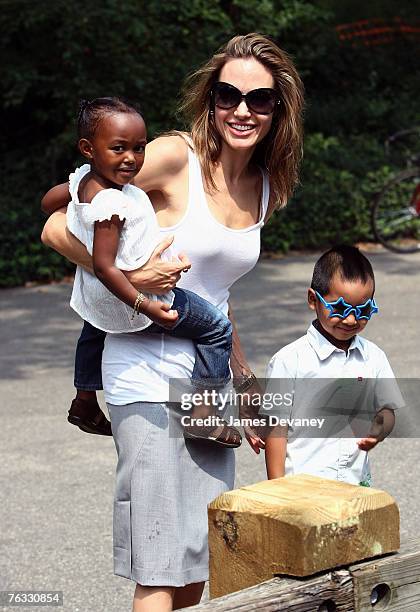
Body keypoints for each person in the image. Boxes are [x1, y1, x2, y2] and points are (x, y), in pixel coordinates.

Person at [41, 33, 304, 611]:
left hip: (206, 396)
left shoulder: (261, 188)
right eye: (228, 94)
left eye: (258, 100)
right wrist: (131, 276)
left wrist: (246, 382)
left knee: (193, 568)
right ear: (210, 100)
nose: (241, 110)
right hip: (147, 377)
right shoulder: (173, 157)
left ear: (277, 110)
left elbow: (218, 297)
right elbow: (57, 224)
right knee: (159, 570)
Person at [45, 95, 241, 447]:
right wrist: (146, 304)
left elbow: (48, 202)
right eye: (118, 148)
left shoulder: (84, 180)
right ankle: (204, 413)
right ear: (88, 148)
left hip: (98, 298)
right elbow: (106, 266)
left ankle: (84, 400)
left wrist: (76, 199)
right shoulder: (112, 204)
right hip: (145, 295)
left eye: (139, 148)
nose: (131, 158)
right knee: (216, 329)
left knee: (94, 327)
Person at [264, 245, 404, 486]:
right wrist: (277, 489)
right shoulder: (289, 361)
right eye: (339, 308)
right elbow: (277, 430)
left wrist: (378, 429)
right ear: (312, 299)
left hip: (354, 485)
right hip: (302, 488)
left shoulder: (374, 357)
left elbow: (387, 411)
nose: (351, 319)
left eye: (364, 310)